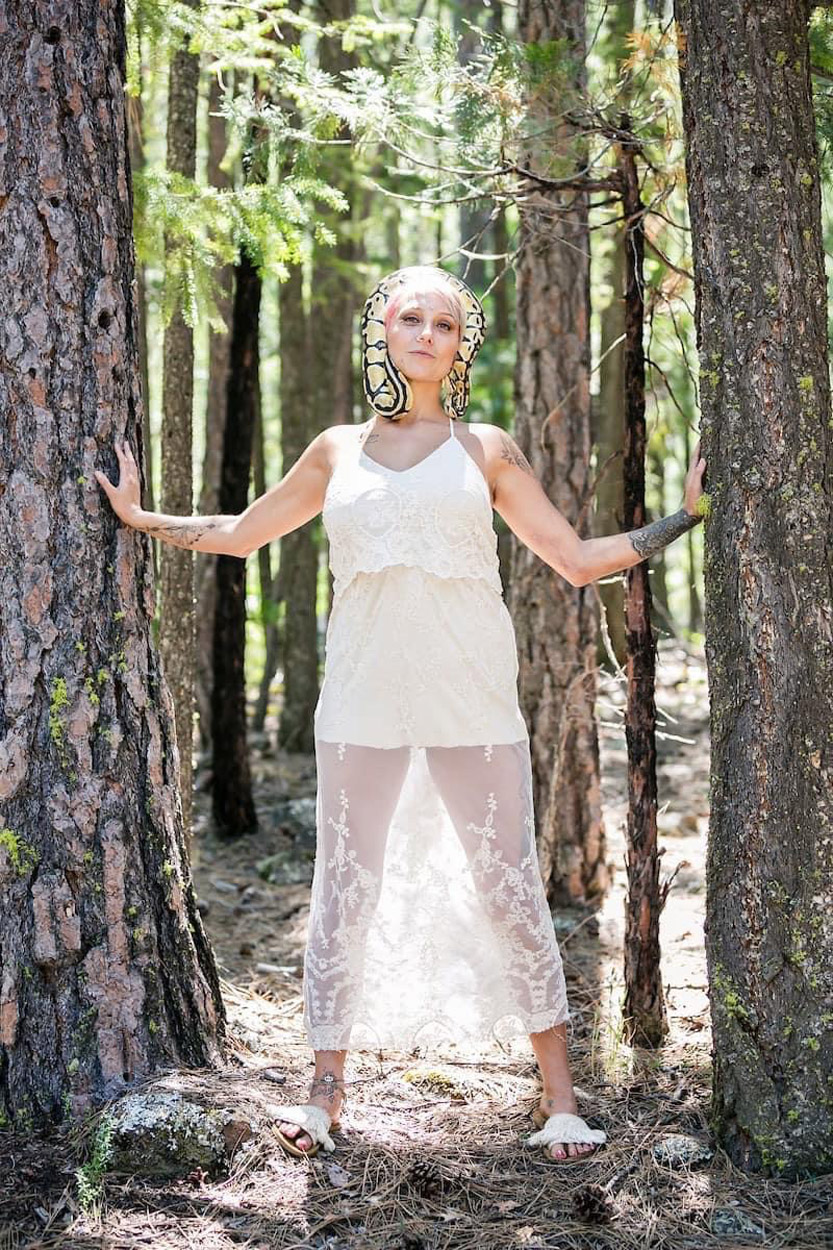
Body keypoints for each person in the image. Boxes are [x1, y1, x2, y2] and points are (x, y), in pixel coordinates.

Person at [95, 264, 706, 1165]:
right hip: (361, 696)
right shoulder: (334, 449)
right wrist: (144, 519)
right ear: (381, 330)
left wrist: (682, 519)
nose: (426, 332)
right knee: (344, 890)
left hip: (471, 697)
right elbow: (239, 533)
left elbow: (575, 559)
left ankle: (561, 1101)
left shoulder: (486, 448)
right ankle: (321, 1097)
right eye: (410, 317)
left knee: (508, 887)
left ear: (461, 346)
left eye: (445, 324)